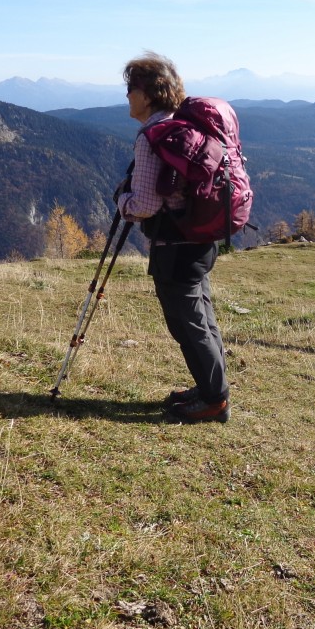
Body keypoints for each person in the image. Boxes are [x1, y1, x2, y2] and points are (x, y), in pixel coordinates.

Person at [115, 52, 230, 423]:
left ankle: (214, 401)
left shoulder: (152, 136)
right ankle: (211, 388)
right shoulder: (183, 127)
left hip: (174, 246)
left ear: (147, 94)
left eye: (131, 88)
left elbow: (146, 204)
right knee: (203, 319)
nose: (127, 96)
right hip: (199, 241)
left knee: (188, 324)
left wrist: (122, 201)